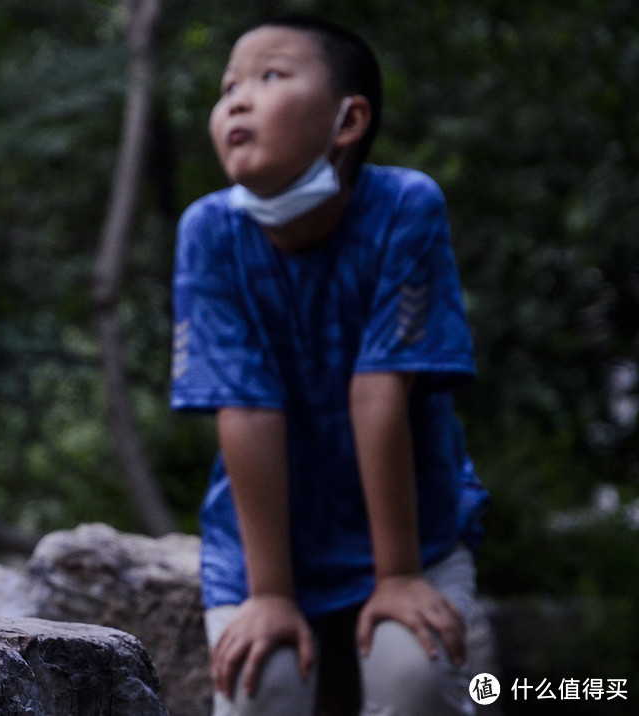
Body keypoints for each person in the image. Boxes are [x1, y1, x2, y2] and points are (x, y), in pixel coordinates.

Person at [170, 14, 489, 716]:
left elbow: (380, 393)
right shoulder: (211, 231)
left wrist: (400, 575)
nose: (237, 100)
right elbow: (247, 407)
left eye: (270, 76)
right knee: (262, 686)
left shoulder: (405, 206)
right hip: (265, 547)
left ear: (348, 120)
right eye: (228, 88)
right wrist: (272, 595)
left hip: (415, 535)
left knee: (415, 677)